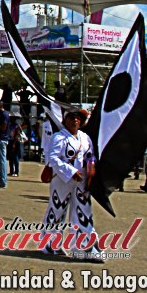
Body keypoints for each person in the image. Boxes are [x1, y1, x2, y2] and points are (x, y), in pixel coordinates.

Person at [40, 110, 100, 260]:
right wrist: (71, 171)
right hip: (62, 179)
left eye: (78, 119)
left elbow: (91, 155)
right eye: (72, 118)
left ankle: (85, 248)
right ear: (65, 120)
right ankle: (51, 244)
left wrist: (91, 169)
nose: (75, 121)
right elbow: (52, 158)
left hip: (82, 180)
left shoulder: (85, 138)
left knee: (84, 212)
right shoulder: (59, 137)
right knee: (58, 209)